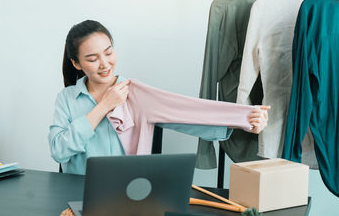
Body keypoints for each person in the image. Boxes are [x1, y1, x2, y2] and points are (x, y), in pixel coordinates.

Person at [51, 20, 270, 216]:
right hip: (77, 198)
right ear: (76, 64)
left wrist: (244, 119)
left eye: (108, 53)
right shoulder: (67, 99)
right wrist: (104, 106)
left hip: (128, 198)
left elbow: (187, 113)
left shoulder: (136, 94)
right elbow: (59, 151)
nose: (104, 64)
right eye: (92, 58)